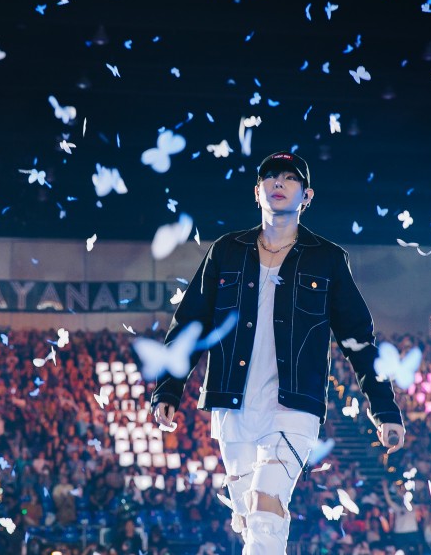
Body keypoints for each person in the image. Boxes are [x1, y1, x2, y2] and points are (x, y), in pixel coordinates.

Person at [151, 151, 406, 554]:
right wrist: (169, 387)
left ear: (307, 195)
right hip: (233, 405)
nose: (279, 183)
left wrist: (385, 410)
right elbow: (190, 322)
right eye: (270, 177)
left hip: (294, 405)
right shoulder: (226, 251)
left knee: (265, 508)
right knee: (248, 516)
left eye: (289, 177)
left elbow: (359, 340)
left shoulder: (328, 259)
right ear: (257, 192)